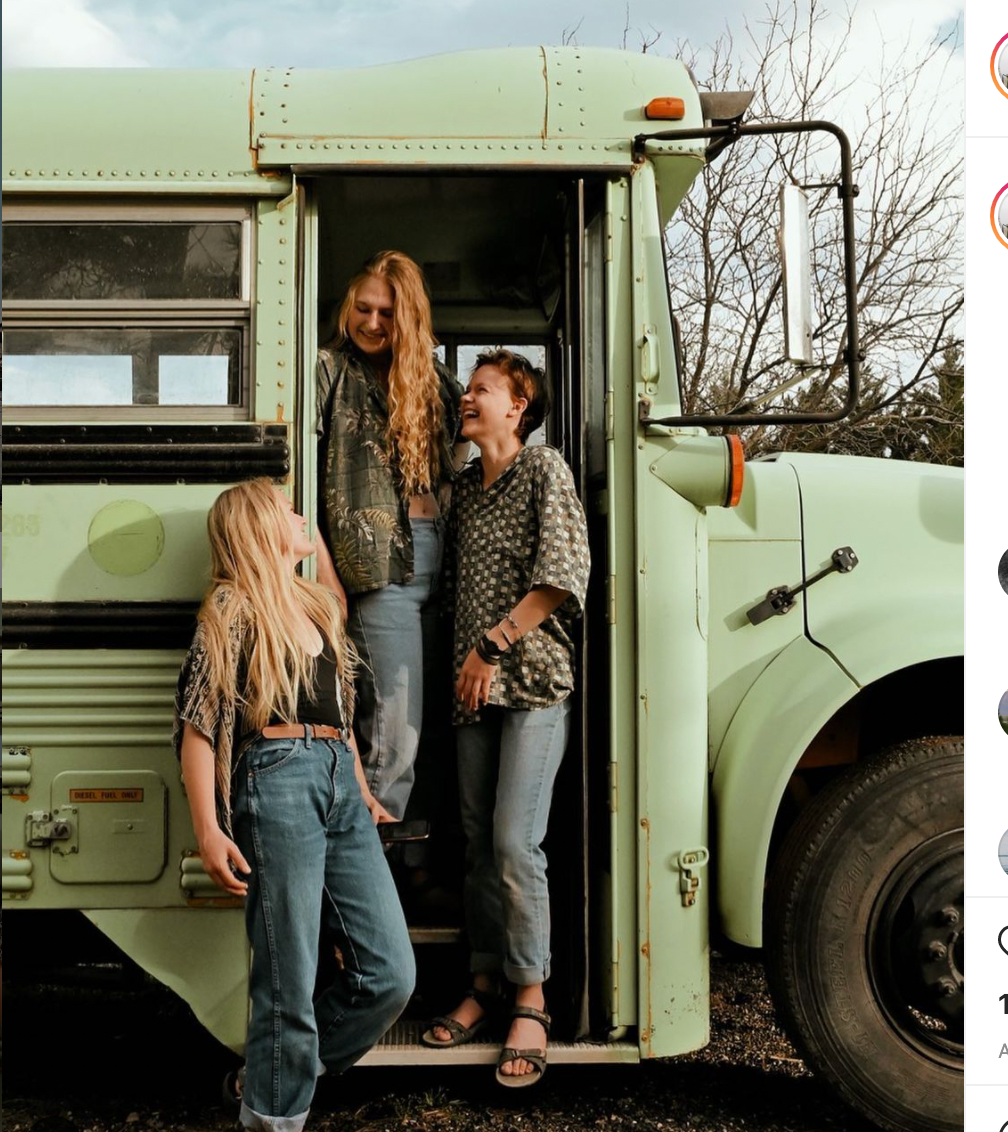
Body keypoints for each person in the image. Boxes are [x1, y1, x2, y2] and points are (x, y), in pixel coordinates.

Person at [174, 478, 414, 1132]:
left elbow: (339, 713)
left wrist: (360, 788)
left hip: (337, 776)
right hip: (276, 779)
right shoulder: (233, 610)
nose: (303, 517)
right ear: (258, 530)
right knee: (287, 985)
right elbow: (197, 725)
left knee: (390, 973)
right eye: (290, 511)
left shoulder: (317, 607)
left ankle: (272, 1073)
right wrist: (208, 829)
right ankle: (274, 1114)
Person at [422, 350, 590, 1088]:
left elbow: (560, 575)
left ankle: (531, 996)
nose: (468, 397)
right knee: (476, 850)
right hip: (472, 690)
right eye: (467, 388)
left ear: (519, 407)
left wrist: (492, 644)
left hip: (531, 683)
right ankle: (484, 984)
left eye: (482, 389)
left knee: (515, 844)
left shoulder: (543, 471)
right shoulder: (463, 488)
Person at [315, 250, 466, 825]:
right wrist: (325, 569)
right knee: (391, 729)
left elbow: (472, 428)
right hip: (379, 569)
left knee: (426, 725)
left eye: (387, 313)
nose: (372, 323)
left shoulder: (431, 381)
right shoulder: (330, 370)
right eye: (363, 308)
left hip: (439, 561)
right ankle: (365, 876)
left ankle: (408, 871)